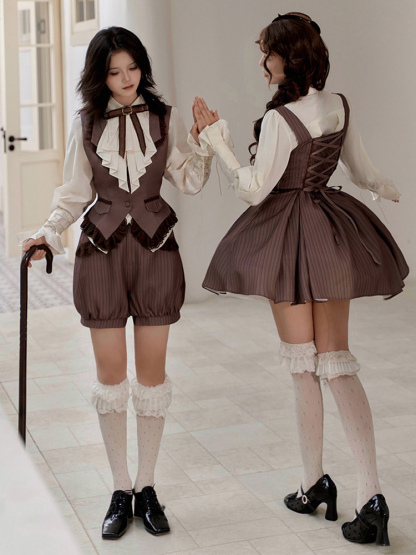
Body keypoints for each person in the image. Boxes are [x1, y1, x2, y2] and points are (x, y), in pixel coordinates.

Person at [193, 12, 408, 547]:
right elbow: (361, 173)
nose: (261, 62)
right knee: (336, 363)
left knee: (303, 367)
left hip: (288, 240)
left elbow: (254, 190)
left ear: (287, 57)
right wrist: (388, 189)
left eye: (265, 51)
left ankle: (314, 483)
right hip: (330, 237)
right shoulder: (339, 105)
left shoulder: (280, 119)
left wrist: (216, 140)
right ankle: (370, 494)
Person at [19, 26, 215, 541]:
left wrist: (205, 143)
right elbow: (73, 193)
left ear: (142, 66)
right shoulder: (85, 124)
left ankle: (146, 487)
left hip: (156, 253)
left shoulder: (165, 118)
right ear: (99, 76)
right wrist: (46, 233)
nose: (126, 79)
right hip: (101, 256)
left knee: (152, 378)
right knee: (111, 378)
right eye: (114, 72)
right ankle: (119, 488)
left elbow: (190, 181)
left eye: (132, 68)